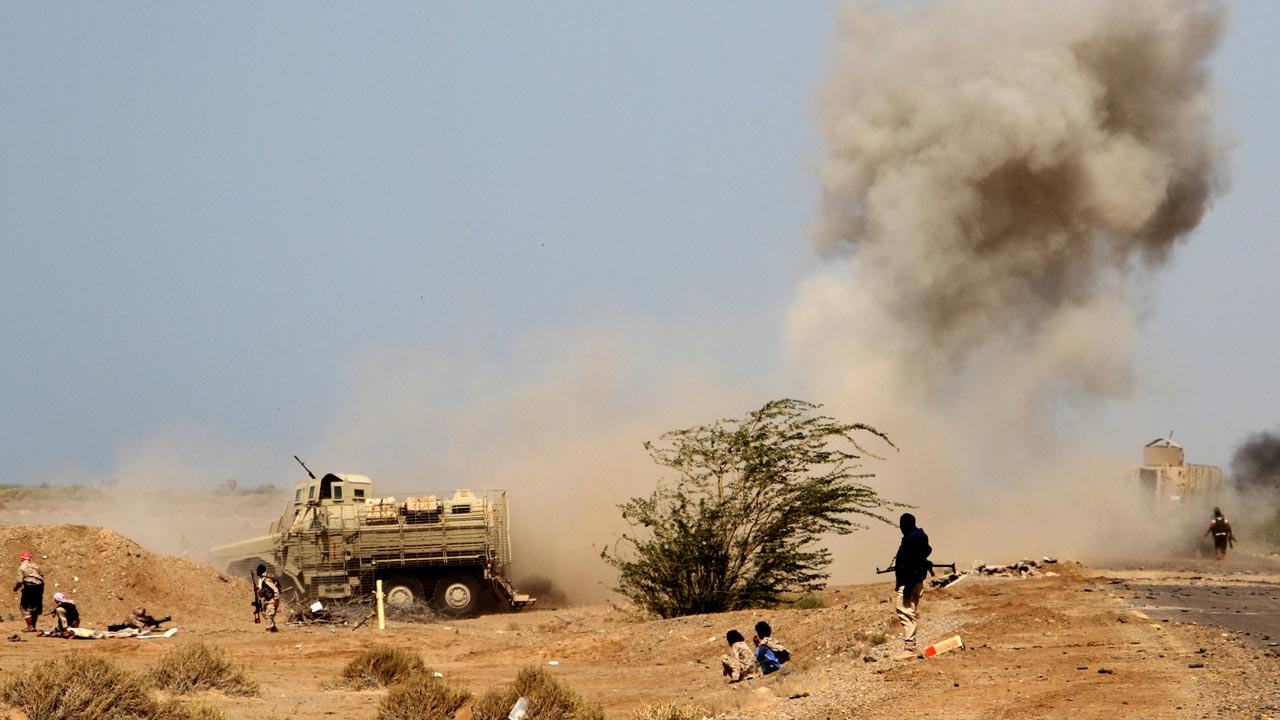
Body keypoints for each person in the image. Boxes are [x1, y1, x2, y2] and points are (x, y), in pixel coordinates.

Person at [892, 512, 932, 660]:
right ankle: (910, 647)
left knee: (906, 613)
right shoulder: (920, 538)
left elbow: (912, 565)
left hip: (910, 582)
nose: (901, 528)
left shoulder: (911, 541)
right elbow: (925, 553)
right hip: (916, 581)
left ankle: (910, 649)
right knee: (909, 612)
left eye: (902, 525)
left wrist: (907, 586)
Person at [12, 551, 44, 633]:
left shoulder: (22, 567)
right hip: (39, 587)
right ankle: (33, 626)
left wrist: (16, 588)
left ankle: (30, 626)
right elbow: (41, 575)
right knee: (35, 608)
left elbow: (19, 581)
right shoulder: (36, 566)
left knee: (24, 607)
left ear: (22, 559)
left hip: (29, 587)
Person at [256, 564, 280, 632]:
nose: (256, 572)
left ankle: (268, 629)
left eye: (257, 570)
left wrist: (276, 600)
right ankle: (273, 628)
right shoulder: (261, 580)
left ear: (260, 571)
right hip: (266, 599)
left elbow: (275, 590)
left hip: (271, 599)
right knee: (264, 614)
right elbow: (261, 589)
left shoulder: (266, 580)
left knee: (269, 615)